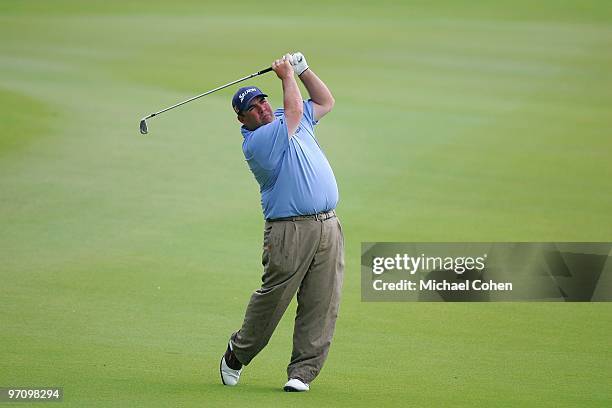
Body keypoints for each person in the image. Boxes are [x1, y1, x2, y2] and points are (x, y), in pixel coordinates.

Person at [220, 52, 344, 392]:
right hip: (289, 229)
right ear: (242, 119)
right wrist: (286, 76)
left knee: (322, 301)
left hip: (327, 225)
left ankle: (301, 374)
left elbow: (325, 101)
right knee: (274, 298)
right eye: (253, 109)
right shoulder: (257, 141)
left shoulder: (284, 115)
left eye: (262, 101)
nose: (261, 108)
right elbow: (292, 112)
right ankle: (237, 353)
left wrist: (302, 70)